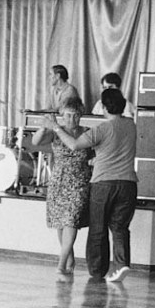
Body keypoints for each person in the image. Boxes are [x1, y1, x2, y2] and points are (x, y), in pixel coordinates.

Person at [47, 87, 136, 283]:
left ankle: (97, 271)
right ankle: (121, 265)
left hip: (103, 183)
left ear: (104, 107)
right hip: (129, 183)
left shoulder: (101, 129)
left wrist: (55, 127)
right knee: (120, 227)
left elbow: (73, 144)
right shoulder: (131, 125)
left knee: (98, 228)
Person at [25, 96, 92, 276]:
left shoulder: (87, 132)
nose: (72, 119)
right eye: (69, 115)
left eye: (76, 115)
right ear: (62, 115)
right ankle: (69, 257)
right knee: (60, 223)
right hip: (59, 181)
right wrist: (44, 125)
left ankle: (61, 264)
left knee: (71, 220)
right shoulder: (56, 131)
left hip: (79, 182)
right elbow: (35, 142)